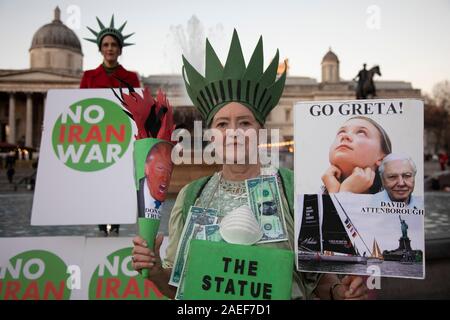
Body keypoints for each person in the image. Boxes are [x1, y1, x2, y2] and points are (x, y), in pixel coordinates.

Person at [131, 30, 368, 300]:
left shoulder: (294, 189)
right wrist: (155, 271)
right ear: (210, 135)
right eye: (222, 124)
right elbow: (180, 290)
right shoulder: (190, 196)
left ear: (260, 131)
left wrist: (341, 292)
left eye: (244, 123)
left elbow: (317, 279)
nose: (233, 132)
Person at [81, 15, 140, 236]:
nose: (110, 48)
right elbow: (79, 107)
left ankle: (114, 226)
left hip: (121, 138)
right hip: (97, 138)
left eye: (114, 45)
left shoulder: (130, 77)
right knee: (98, 184)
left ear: (120, 49)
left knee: (118, 184)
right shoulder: (88, 77)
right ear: (100, 49)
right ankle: (100, 225)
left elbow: (137, 106)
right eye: (106, 45)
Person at [322, 116, 392, 194]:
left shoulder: (394, 202)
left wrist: (344, 193)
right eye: (341, 132)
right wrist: (336, 192)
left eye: (361, 133)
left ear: (382, 159)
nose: (345, 136)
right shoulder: (311, 200)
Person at [137, 142, 174, 218]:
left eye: (169, 171)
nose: (165, 178)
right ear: (146, 168)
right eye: (160, 168)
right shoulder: (135, 190)